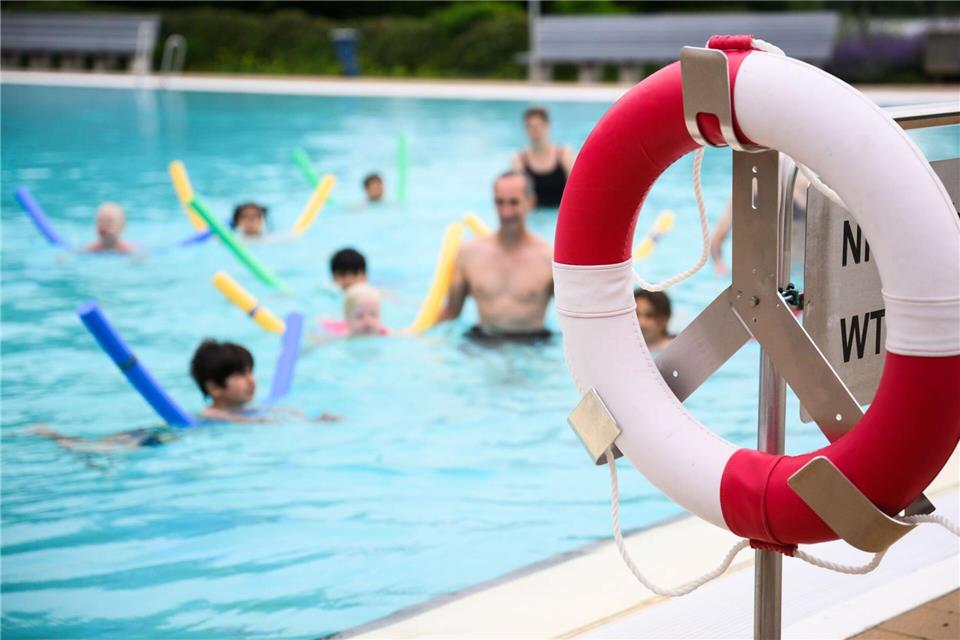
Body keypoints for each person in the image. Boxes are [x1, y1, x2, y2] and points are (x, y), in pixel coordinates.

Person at [28, 340, 264, 452]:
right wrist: (267, 421)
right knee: (95, 448)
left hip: (165, 435)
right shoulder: (212, 412)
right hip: (159, 437)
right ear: (214, 388)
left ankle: (62, 439)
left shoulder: (236, 413)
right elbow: (242, 422)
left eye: (251, 371)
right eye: (242, 375)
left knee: (99, 451)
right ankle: (55, 436)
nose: (251, 380)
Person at [439, 171, 553, 343]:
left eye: (514, 203)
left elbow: (576, 317)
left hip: (532, 345)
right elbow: (451, 313)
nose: (506, 212)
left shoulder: (548, 259)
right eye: (500, 203)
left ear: (531, 202)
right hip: (483, 342)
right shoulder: (468, 254)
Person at [510, 107, 575, 208]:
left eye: (538, 126)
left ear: (547, 126)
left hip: (559, 212)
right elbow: (518, 197)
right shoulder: (519, 159)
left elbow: (575, 190)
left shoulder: (564, 155)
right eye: (530, 127)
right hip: (535, 215)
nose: (535, 131)